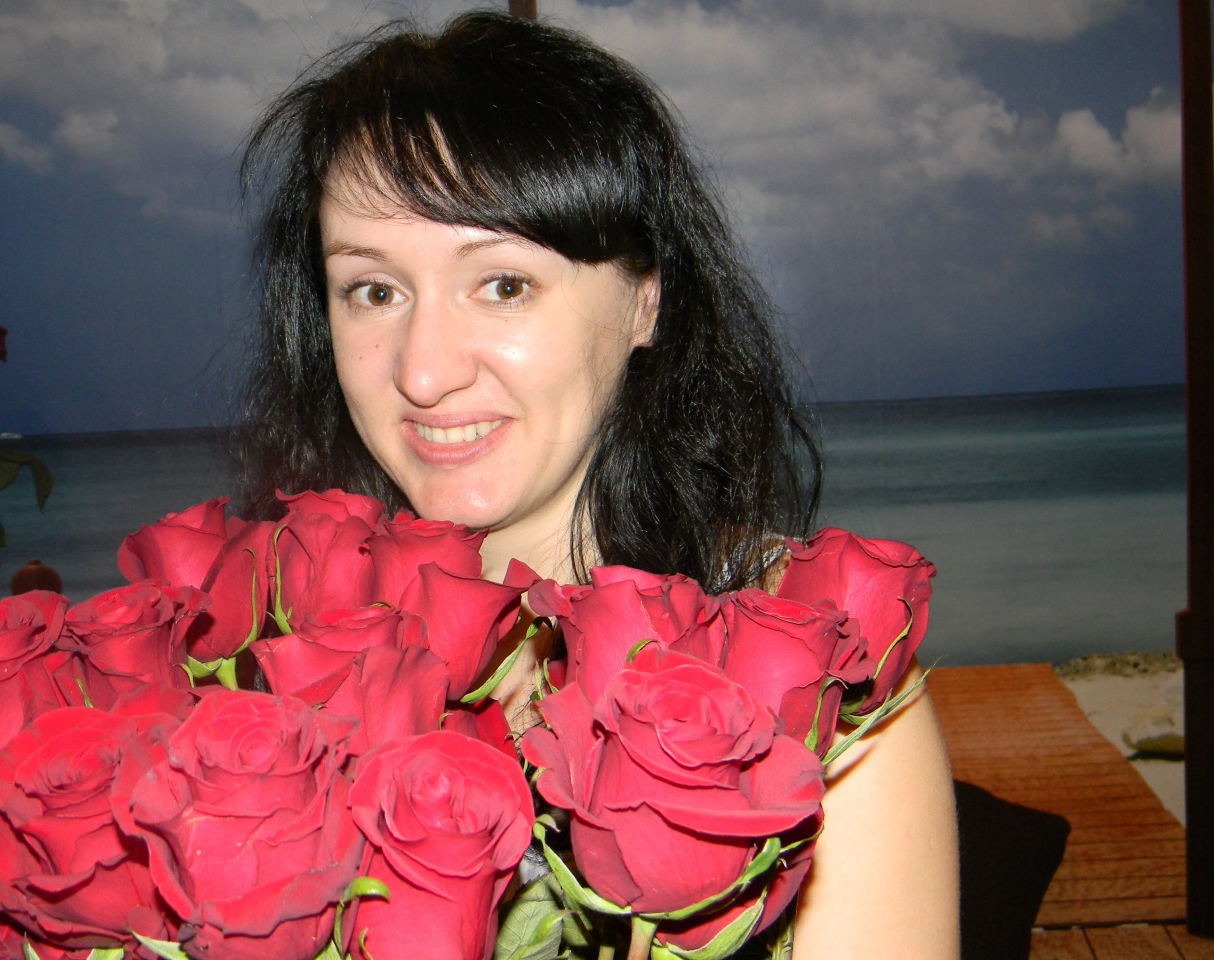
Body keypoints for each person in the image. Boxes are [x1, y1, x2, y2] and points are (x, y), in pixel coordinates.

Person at [237, 10, 958, 959]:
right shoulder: (260, 674)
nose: (423, 370)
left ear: (645, 300)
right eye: (375, 291)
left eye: (503, 285)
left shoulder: (813, 689)